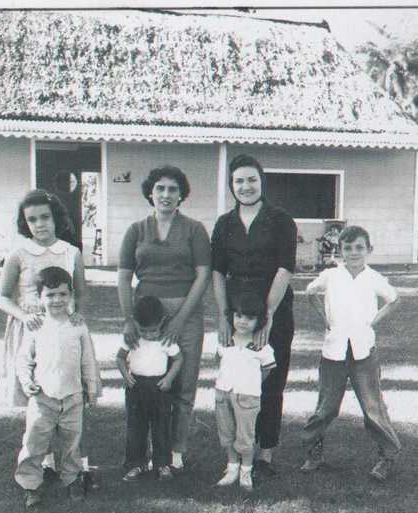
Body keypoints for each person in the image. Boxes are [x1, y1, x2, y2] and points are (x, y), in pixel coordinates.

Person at [117, 165, 211, 472]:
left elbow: (203, 276)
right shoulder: (136, 230)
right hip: (147, 313)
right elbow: (123, 278)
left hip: (186, 311)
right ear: (150, 193)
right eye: (160, 188)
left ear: (181, 194)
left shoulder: (194, 229)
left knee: (183, 382)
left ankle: (175, 449)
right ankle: (140, 451)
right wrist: (129, 319)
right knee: (145, 380)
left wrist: (181, 318)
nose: (166, 194)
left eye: (172, 189)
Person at [211, 154, 297, 478]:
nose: (245, 186)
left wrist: (270, 315)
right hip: (237, 314)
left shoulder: (280, 220)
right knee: (236, 383)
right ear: (231, 186)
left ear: (262, 181)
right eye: (238, 181)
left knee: (271, 381)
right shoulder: (224, 224)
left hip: (274, 307)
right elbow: (218, 272)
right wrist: (222, 316)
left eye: (251, 179)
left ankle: (265, 454)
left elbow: (285, 267)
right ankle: (236, 454)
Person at [299, 225, 401, 481]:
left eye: (359, 248)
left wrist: (373, 321)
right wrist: (325, 319)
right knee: (326, 408)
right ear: (340, 250)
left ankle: (386, 456)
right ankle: (313, 451)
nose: (353, 253)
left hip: (363, 352)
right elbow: (310, 292)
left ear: (368, 250)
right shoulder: (331, 275)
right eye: (347, 248)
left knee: (372, 406)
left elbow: (395, 299)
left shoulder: (374, 277)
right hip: (333, 351)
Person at [14, 266, 101, 508]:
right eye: (50, 295)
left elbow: (88, 361)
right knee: (34, 442)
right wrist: (27, 381)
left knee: (71, 443)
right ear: (40, 298)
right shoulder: (35, 326)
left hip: (72, 397)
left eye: (63, 294)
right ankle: (30, 484)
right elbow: (24, 359)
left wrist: (91, 389)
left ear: (71, 295)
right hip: (43, 397)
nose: (57, 300)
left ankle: (73, 479)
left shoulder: (78, 326)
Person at [0, 189, 85, 407]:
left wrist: (77, 315)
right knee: (33, 390)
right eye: (32, 220)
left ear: (55, 217)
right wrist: (23, 316)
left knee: (60, 385)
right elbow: (2, 297)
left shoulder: (71, 252)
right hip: (30, 327)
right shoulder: (18, 253)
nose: (39, 224)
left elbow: (80, 294)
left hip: (62, 325)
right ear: (25, 224)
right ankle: (34, 437)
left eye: (45, 217)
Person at [214, 292, 276, 493]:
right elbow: (219, 361)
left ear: (259, 321)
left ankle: (245, 471)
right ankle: (232, 467)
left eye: (249, 318)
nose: (242, 322)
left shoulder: (260, 346)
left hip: (248, 396)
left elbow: (267, 369)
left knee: (245, 436)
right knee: (227, 433)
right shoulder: (225, 340)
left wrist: (253, 383)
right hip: (223, 393)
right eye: (239, 316)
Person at [116, 295, 184, 482]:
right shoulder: (132, 339)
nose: (149, 334)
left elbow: (178, 359)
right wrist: (126, 375)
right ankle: (136, 464)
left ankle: (162, 464)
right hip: (136, 387)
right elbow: (120, 357)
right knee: (136, 427)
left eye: (153, 330)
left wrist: (169, 378)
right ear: (135, 323)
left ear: (162, 322)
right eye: (143, 330)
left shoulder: (166, 341)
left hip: (159, 388)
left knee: (161, 427)